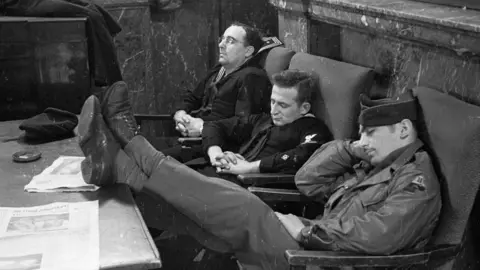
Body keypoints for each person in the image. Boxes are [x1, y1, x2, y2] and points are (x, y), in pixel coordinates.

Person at [77, 86, 441, 270]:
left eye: (369, 134)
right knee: (210, 217)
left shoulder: (415, 182)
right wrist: (348, 149)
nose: (363, 142)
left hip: (325, 259)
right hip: (315, 245)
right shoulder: (376, 163)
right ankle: (121, 166)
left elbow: (377, 237)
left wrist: (306, 231)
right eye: (360, 134)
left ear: (404, 130)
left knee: (243, 208)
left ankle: (132, 148)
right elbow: (308, 182)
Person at [192, 69, 331, 183]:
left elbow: (301, 155)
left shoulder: (313, 129)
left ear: (304, 108)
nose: (274, 110)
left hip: (248, 189)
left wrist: (250, 168)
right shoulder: (263, 120)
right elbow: (214, 126)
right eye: (272, 102)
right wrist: (216, 154)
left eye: (283, 105)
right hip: (221, 174)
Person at [163, 22, 272, 162]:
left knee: (148, 161)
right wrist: (181, 115)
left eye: (230, 41)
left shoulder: (252, 77)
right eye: (222, 39)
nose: (221, 45)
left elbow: (244, 125)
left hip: (217, 148)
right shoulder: (219, 69)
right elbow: (192, 97)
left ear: (248, 51)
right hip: (190, 138)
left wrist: (202, 127)